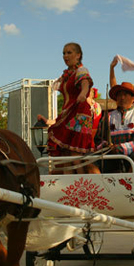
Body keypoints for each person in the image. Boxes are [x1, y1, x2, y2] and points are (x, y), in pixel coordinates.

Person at [41, 43, 96, 171]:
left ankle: (81, 183)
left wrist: (83, 94)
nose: (65, 56)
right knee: (64, 153)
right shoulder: (66, 75)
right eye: (64, 53)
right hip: (68, 113)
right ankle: (67, 183)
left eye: (69, 53)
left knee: (75, 154)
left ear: (78, 55)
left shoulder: (81, 70)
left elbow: (85, 84)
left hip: (79, 113)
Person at [95, 81, 134, 203]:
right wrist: (106, 146)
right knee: (90, 163)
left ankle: (130, 195)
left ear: (133, 98)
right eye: (119, 94)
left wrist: (120, 148)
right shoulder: (107, 117)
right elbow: (98, 139)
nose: (122, 97)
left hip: (133, 152)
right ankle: (101, 193)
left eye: (126, 94)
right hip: (110, 153)